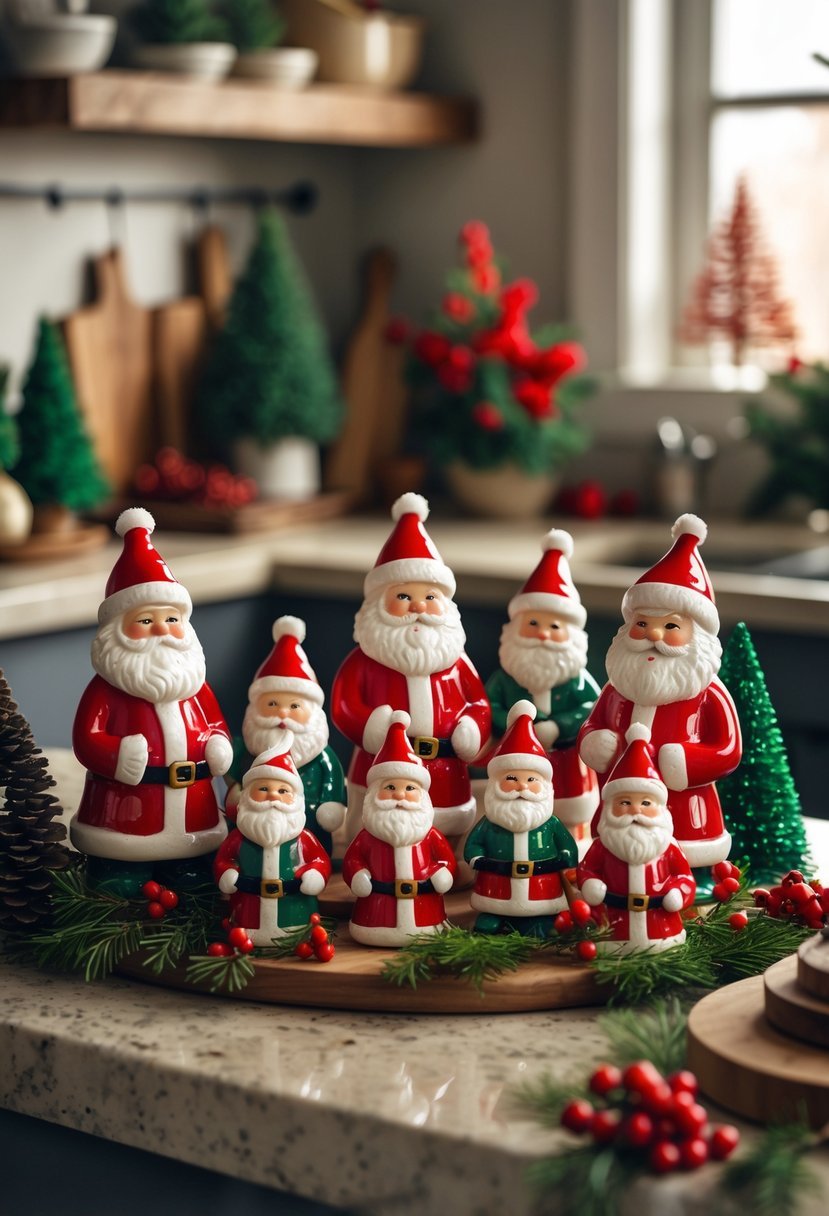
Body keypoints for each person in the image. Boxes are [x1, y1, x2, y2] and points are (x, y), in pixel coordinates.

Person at [71, 508, 232, 896]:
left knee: (195, 882)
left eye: (172, 619)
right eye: (145, 621)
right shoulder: (106, 689)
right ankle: (117, 871)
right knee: (119, 883)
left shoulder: (196, 686)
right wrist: (117, 754)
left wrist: (217, 743)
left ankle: (188, 867)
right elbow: (86, 738)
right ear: (118, 630)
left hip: (194, 814)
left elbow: (216, 724)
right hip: (125, 813)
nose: (162, 629)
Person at [578, 514, 741, 870]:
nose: (654, 635)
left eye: (670, 625)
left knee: (687, 858)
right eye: (643, 624)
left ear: (695, 633)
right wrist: (595, 741)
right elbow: (592, 725)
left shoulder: (708, 692)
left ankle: (690, 876)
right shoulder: (618, 687)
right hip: (619, 813)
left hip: (688, 815)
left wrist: (683, 762)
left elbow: (728, 750)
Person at [332, 492, 490, 844]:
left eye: (430, 597)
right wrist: (372, 725)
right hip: (380, 773)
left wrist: (470, 726)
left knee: (446, 832)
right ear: (379, 604)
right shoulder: (364, 661)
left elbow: (478, 702)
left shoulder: (456, 662)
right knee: (375, 833)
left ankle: (444, 858)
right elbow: (344, 705)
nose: (418, 605)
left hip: (446, 772)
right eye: (403, 596)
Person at [485, 528, 599, 842]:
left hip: (566, 763)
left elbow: (593, 708)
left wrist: (561, 727)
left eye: (554, 626)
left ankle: (575, 847)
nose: (543, 634)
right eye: (533, 623)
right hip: (515, 770)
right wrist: (508, 723)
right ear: (515, 628)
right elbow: (489, 706)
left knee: (572, 815)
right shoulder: (507, 678)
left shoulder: (577, 680)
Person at [225, 615, 346, 855]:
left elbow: (332, 777)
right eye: (271, 703)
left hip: (311, 824)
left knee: (314, 848)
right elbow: (228, 774)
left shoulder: (321, 756)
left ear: (313, 712)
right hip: (253, 828)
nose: (282, 713)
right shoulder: (246, 748)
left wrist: (330, 803)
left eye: (294, 707)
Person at [577, 724, 696, 954]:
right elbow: (586, 869)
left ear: (660, 808)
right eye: (625, 803)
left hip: (660, 926)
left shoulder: (668, 846)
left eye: (645, 803)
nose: (635, 810)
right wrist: (591, 883)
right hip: (614, 927)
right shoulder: (603, 845)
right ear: (610, 807)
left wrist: (678, 892)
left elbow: (684, 877)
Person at [342, 710, 456, 947]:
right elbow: (353, 860)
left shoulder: (430, 835)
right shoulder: (367, 837)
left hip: (426, 914)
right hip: (375, 915)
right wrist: (358, 874)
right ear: (374, 794)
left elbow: (446, 860)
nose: (400, 794)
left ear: (423, 795)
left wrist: (441, 871)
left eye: (410, 789)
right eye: (391, 786)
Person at [465, 700, 578, 936]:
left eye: (531, 780)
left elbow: (568, 847)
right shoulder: (490, 823)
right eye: (511, 779)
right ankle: (494, 915)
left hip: (542, 892)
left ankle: (539, 920)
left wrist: (567, 856)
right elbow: (473, 845)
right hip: (495, 890)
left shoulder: (551, 824)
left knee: (541, 925)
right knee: (491, 916)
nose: (521, 787)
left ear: (545, 786)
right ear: (495, 784)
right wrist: (478, 858)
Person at [213, 744, 330, 946]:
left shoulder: (304, 839)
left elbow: (320, 860)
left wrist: (315, 873)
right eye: (263, 789)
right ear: (247, 796)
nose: (273, 796)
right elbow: (223, 860)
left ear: (295, 800)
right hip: (247, 917)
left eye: (283, 790)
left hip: (296, 917)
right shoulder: (238, 838)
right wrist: (227, 872)